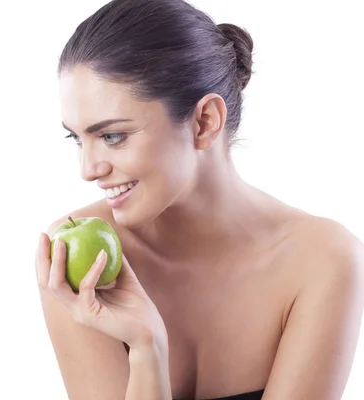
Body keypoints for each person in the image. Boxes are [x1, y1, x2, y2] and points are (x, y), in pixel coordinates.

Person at [34, 0, 364, 399]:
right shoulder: (77, 260)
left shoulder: (322, 260)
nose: (88, 169)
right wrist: (146, 351)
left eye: (112, 136)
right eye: (77, 138)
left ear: (205, 121)